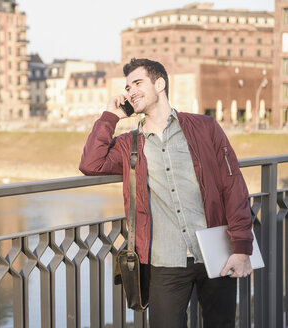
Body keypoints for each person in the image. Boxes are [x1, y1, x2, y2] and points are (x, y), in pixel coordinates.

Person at [79, 58, 253, 328]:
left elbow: (233, 187)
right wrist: (110, 116)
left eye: (137, 83)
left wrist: (241, 249)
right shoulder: (129, 145)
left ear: (159, 83)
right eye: (127, 87)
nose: (130, 91)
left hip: (216, 251)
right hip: (164, 262)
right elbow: (91, 163)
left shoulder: (204, 128)